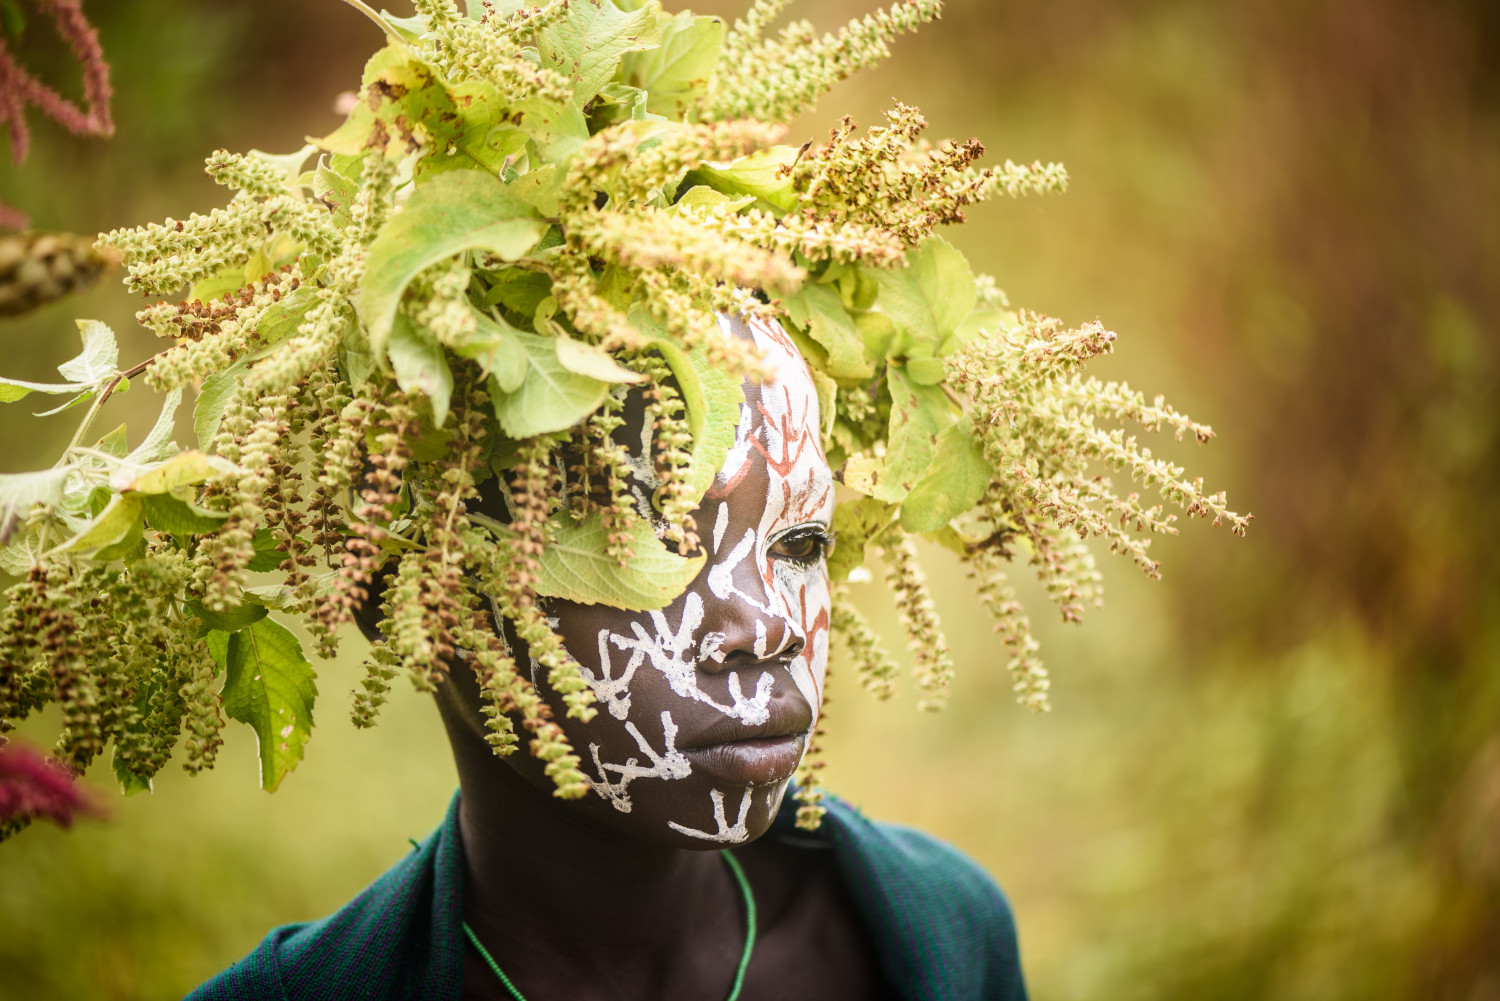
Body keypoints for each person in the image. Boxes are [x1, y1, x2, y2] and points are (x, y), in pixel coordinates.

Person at [187, 316, 1028, 1001]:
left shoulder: (945, 933)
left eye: (800, 540)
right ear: (406, 601)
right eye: (653, 548)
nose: (767, 624)